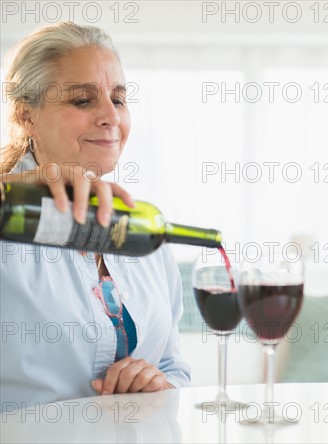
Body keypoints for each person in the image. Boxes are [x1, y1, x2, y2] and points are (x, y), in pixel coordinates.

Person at [0, 22, 191, 408]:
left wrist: (159, 387)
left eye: (118, 99)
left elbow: (174, 366)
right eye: (83, 100)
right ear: (26, 115)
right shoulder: (8, 217)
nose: (110, 116)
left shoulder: (144, 231)